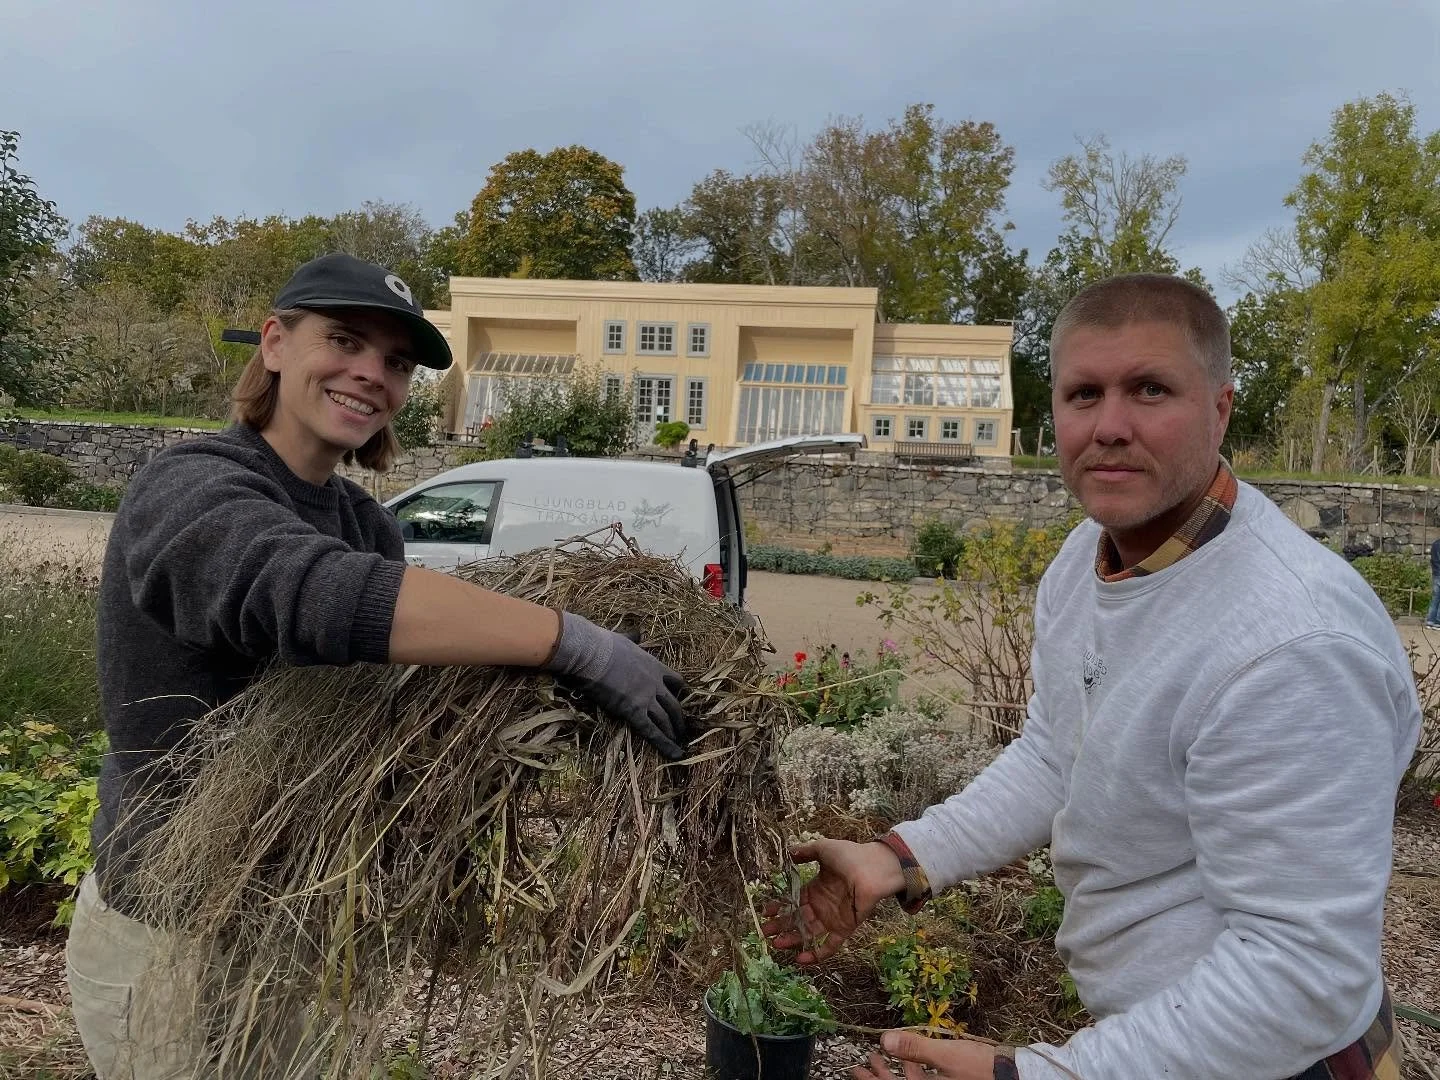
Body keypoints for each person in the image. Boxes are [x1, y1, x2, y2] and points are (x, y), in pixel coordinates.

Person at [764, 273, 1421, 1080]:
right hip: (1164, 1044)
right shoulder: (1089, 558)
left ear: (1220, 408)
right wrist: (899, 857)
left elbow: (1301, 978)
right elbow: (1056, 753)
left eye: (1150, 389)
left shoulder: (1291, 644)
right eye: (1083, 394)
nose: (1110, 426)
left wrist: (1036, 1073)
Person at [65, 253, 692, 1079]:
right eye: (345, 340)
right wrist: (570, 640)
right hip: (179, 936)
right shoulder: (188, 487)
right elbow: (308, 596)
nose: (371, 373)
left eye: (395, 362)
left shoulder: (366, 523)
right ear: (276, 343)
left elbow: (393, 709)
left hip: (305, 930)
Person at [1426, 536, 1440, 630]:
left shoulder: (1435, 544)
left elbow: (1433, 560)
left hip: (1436, 573)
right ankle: (1437, 622)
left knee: (1435, 598)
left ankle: (1430, 620)